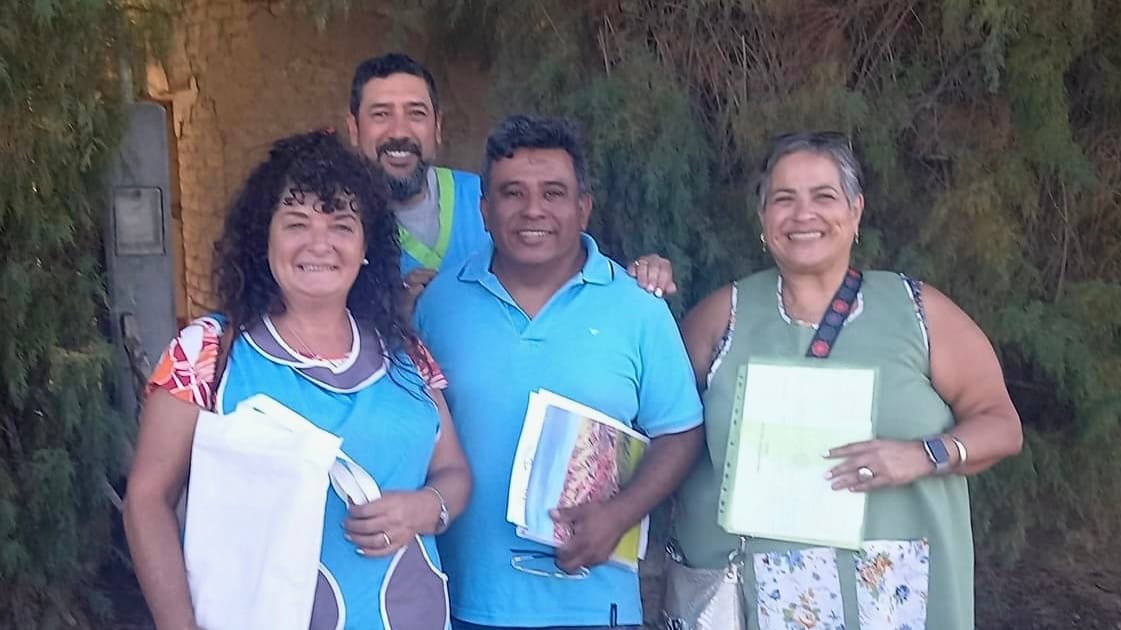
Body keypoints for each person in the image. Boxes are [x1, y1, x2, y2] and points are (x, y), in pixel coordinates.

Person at [668, 131, 1024, 629]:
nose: (803, 214)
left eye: (824, 196)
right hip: (755, 597)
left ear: (855, 212)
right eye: (783, 199)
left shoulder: (917, 312)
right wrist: (639, 293)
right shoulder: (721, 316)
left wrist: (924, 454)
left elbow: (1001, 425)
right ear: (763, 217)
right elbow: (661, 432)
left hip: (893, 598)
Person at [123, 130, 471, 630]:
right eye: (296, 223)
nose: (319, 243)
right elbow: (147, 500)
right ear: (263, 238)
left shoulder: (405, 354)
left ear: (366, 245)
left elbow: (454, 472)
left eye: (341, 225)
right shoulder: (208, 352)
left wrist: (425, 507)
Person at [415, 115, 704, 630]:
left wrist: (621, 514)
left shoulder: (638, 309)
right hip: (461, 601)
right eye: (512, 193)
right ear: (484, 210)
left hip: (594, 604)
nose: (533, 210)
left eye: (554, 193)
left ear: (583, 208)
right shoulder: (439, 304)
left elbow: (680, 432)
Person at [345, 52, 677, 307]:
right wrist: (392, 316)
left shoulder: (498, 197)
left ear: (438, 127)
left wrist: (640, 274)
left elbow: (573, 270)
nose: (400, 132)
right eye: (381, 114)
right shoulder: (333, 220)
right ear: (354, 129)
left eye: (416, 113)